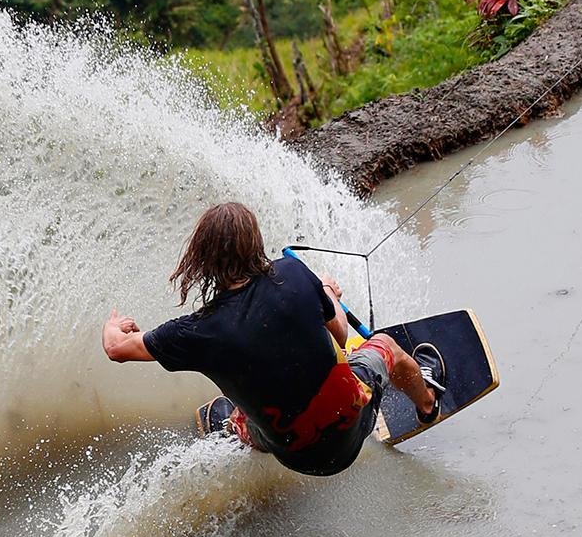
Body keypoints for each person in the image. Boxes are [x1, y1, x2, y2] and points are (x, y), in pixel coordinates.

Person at [102, 199, 438, 478]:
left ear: (202, 260)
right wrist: (328, 293)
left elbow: (116, 349)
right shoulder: (292, 274)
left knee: (245, 412)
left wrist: (112, 325)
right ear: (254, 245)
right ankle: (427, 404)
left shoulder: (195, 331)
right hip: (351, 427)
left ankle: (235, 425)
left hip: (293, 456)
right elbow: (340, 332)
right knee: (387, 346)